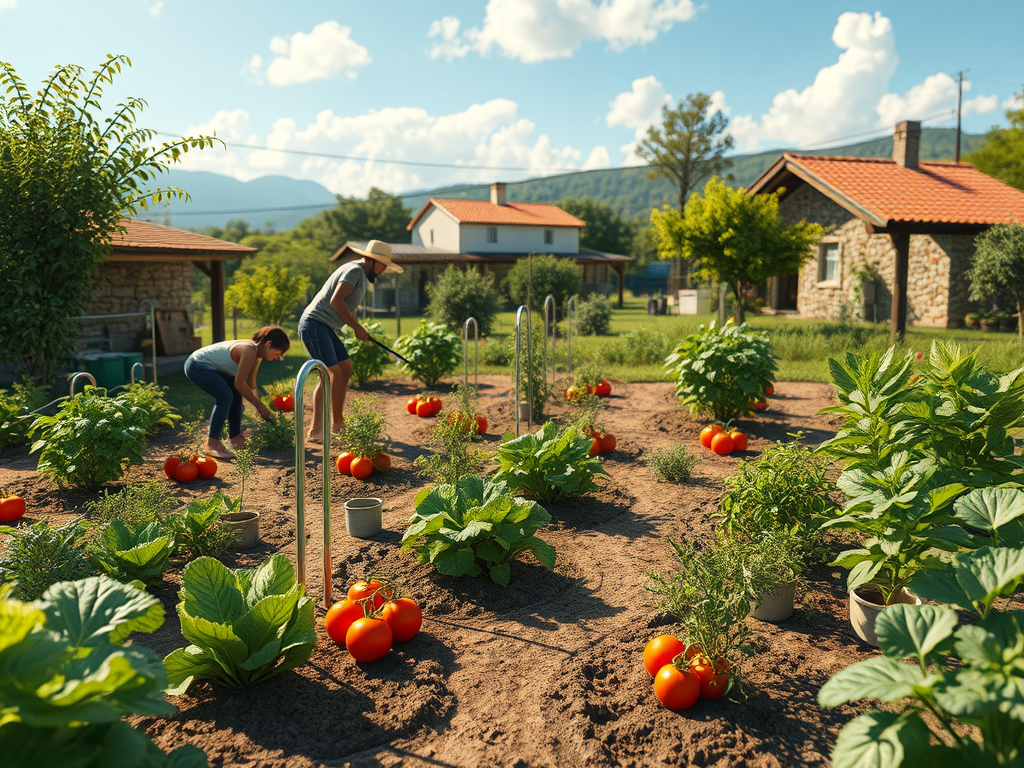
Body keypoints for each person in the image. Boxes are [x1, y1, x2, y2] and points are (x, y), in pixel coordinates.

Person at [298, 239, 403, 438]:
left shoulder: (360, 274)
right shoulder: (355, 271)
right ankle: (336, 426)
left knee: (344, 369)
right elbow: (336, 300)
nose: (384, 270)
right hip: (314, 324)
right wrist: (356, 327)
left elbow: (345, 306)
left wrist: (357, 327)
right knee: (333, 373)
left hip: (326, 327)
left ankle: (318, 429)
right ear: (372, 261)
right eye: (383, 265)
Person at [184, 326, 290, 459]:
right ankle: (212, 444)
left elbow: (251, 384)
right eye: (277, 353)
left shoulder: (256, 355)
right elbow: (239, 383)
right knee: (225, 396)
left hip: (213, 368)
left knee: (235, 395)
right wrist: (259, 405)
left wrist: (261, 407)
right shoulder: (250, 351)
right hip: (197, 365)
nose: (276, 358)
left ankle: (235, 437)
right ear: (268, 344)